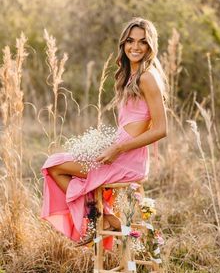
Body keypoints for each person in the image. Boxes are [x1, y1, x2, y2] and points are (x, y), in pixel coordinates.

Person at [41, 17, 168, 247]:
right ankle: (105, 216)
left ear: (151, 46)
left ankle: (101, 216)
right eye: (130, 41)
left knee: (53, 166)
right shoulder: (130, 76)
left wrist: (118, 148)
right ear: (123, 44)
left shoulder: (148, 77)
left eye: (142, 42)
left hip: (127, 158)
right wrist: (108, 144)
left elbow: (161, 129)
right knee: (55, 165)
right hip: (117, 151)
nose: (135, 47)